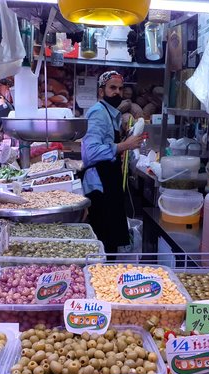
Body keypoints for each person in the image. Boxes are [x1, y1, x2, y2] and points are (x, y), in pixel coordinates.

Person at [81, 71, 142, 254]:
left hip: (109, 180)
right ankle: (101, 276)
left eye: (120, 89)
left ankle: (107, 276)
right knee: (104, 239)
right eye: (112, 88)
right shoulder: (98, 114)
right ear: (101, 92)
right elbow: (91, 153)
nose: (117, 92)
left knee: (111, 239)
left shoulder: (110, 114)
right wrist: (124, 145)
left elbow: (106, 144)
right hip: (100, 184)